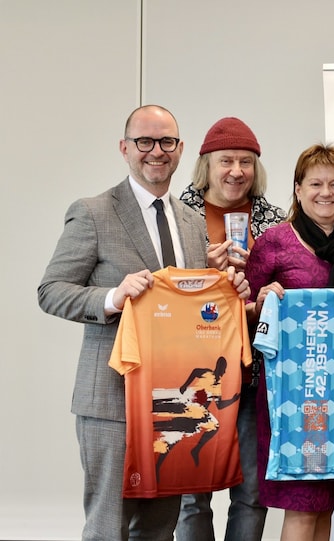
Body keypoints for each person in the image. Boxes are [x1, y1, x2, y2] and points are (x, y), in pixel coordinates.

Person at [37, 105, 250, 541]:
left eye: (167, 142)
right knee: (107, 527)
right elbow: (51, 290)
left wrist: (227, 291)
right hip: (112, 400)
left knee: (158, 529)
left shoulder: (192, 223)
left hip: (170, 403)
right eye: (145, 142)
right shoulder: (93, 212)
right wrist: (114, 297)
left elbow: (190, 311)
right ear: (125, 148)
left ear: (180, 149)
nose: (157, 152)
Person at [245, 144, 334, 541]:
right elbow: (243, 312)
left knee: (325, 504)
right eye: (315, 183)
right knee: (301, 506)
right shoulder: (273, 242)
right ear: (297, 189)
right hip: (292, 398)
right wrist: (260, 303)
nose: (325, 192)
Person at [176, 117, 285, 541]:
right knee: (192, 495)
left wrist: (263, 299)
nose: (236, 171)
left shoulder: (275, 221)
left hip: (256, 373)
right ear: (206, 164)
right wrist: (204, 270)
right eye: (226, 160)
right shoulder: (178, 215)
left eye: (245, 161)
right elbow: (161, 288)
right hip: (194, 373)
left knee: (252, 492)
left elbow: (288, 285)